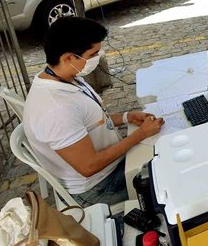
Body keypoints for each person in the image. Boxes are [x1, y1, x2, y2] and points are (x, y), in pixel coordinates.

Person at [23, 17, 164, 206]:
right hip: (99, 188)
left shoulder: (62, 77)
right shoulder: (56, 108)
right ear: (68, 58)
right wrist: (140, 134)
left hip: (110, 169)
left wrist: (126, 117)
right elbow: (89, 166)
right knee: (169, 176)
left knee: (164, 150)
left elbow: (90, 121)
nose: (98, 58)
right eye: (93, 54)